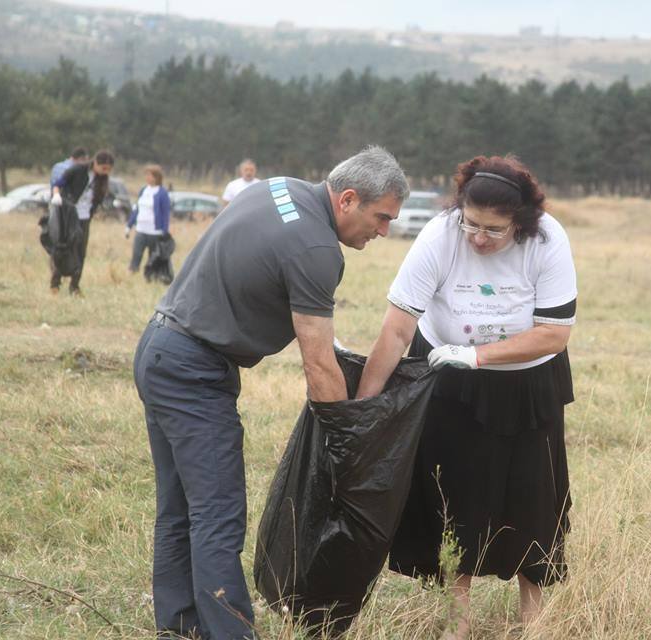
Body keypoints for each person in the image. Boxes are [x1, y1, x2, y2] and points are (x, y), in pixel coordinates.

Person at [132, 146, 408, 640]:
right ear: (347, 199)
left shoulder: (275, 188)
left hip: (159, 349)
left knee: (180, 510)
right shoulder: (317, 250)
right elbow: (319, 362)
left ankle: (179, 630)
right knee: (217, 516)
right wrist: (348, 442)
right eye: (381, 217)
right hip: (194, 371)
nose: (384, 230)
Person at [356, 155, 577, 640]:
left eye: (494, 230)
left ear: (521, 222)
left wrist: (477, 356)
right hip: (449, 380)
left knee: (532, 497)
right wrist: (365, 409)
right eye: (471, 224)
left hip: (527, 386)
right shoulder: (440, 234)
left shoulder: (548, 239)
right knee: (453, 495)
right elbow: (396, 330)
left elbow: (553, 335)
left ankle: (533, 620)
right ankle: (457, 622)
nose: (478, 238)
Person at [50, 150, 115, 296]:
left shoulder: (101, 180)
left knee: (81, 252)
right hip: (69, 215)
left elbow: (97, 201)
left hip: (84, 217)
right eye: (103, 168)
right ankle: (55, 282)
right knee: (64, 248)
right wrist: (56, 195)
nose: (105, 172)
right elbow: (58, 183)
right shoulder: (78, 170)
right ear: (96, 163)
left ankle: (75, 286)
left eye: (108, 170)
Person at [125, 164, 171, 275]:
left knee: (153, 257)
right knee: (136, 253)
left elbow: (165, 214)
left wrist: (164, 231)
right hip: (141, 229)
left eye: (149, 175)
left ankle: (150, 276)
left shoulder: (162, 193)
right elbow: (137, 209)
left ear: (156, 177)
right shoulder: (143, 190)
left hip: (154, 231)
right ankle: (132, 272)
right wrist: (129, 225)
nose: (147, 177)